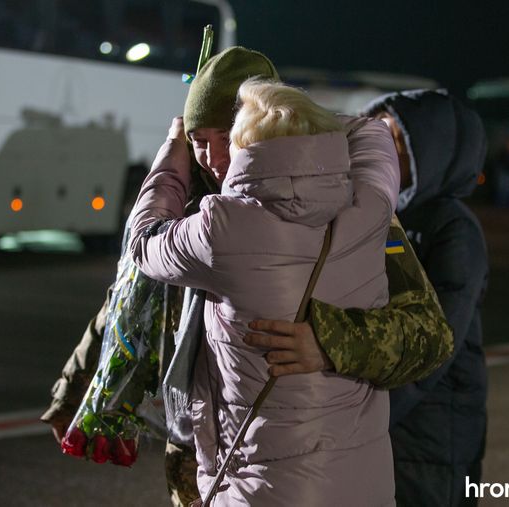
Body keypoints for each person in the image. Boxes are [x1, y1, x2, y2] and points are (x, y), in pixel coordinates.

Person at [42, 47, 453, 507]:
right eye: (197, 139)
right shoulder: (190, 198)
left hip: (281, 464)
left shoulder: (344, 206)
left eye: (224, 136)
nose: (214, 157)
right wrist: (75, 385)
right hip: (200, 467)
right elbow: (127, 298)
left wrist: (330, 341)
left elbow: (429, 333)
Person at [128, 77, 400, 504]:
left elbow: (143, 242)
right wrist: (307, 121)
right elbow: (374, 133)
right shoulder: (367, 209)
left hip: (262, 490)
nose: (216, 157)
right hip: (364, 485)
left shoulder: (224, 228)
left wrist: (172, 150)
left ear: (247, 149)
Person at [255, 89, 489, 506]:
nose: (375, 149)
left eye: (392, 141)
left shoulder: (452, 229)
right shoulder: (368, 210)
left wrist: (353, 420)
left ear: (429, 155)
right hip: (375, 411)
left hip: (429, 432)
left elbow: (433, 349)